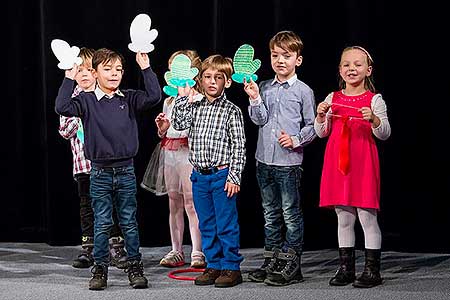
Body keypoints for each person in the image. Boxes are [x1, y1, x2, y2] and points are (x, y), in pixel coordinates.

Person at [55, 48, 161, 290]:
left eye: (119, 70)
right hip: (100, 173)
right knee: (102, 222)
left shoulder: (130, 98)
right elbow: (61, 107)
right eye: (108, 69)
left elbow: (154, 96)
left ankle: (134, 265)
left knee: (128, 222)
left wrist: (145, 67)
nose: (114, 74)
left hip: (125, 171)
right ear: (94, 72)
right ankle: (100, 268)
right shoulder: (86, 100)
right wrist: (69, 76)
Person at [243, 30, 316, 286]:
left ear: (298, 60)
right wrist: (254, 98)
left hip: (288, 164)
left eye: (287, 55)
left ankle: (292, 260)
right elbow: (259, 120)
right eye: (275, 55)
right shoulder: (263, 86)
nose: (280, 60)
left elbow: (313, 125)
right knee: (270, 213)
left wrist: (296, 140)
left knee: (290, 213)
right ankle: (272, 257)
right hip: (264, 161)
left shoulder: (304, 91)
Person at [314, 46, 391, 288]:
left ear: (368, 70)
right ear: (339, 69)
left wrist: (375, 120)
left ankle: (372, 271)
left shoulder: (374, 99)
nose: (351, 68)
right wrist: (320, 116)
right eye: (346, 64)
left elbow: (385, 134)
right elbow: (321, 132)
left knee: (367, 218)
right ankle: (346, 268)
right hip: (338, 166)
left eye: (357, 64)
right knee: (344, 218)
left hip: (363, 164)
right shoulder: (332, 98)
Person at [170, 54, 246, 288]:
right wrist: (183, 99)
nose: (212, 81)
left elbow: (239, 146)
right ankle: (213, 264)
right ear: (200, 80)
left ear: (228, 82)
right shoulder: (195, 106)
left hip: (222, 175)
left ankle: (231, 266)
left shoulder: (232, 111)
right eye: (207, 77)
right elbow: (178, 123)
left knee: (226, 223)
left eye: (218, 77)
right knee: (207, 223)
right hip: (199, 175)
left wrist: (234, 176)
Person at [58, 47, 127, 270]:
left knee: (110, 204)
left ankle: (115, 247)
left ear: (96, 72)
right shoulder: (71, 99)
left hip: (107, 164)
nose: (85, 74)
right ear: (73, 73)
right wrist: (81, 117)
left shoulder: (105, 95)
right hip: (83, 165)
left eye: (89, 69)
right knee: (88, 206)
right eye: (80, 70)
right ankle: (89, 248)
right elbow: (65, 130)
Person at [141, 50, 206, 268]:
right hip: (170, 154)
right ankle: (176, 250)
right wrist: (162, 128)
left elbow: (198, 130)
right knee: (174, 201)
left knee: (192, 202)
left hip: (190, 155)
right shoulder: (169, 101)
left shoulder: (199, 99)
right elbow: (166, 131)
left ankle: (198, 250)